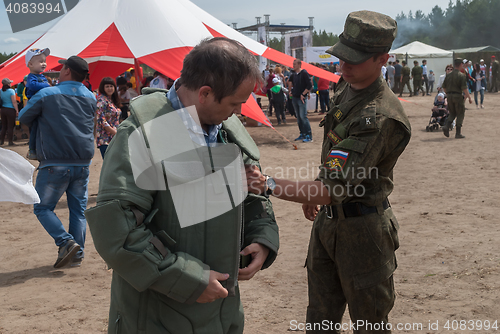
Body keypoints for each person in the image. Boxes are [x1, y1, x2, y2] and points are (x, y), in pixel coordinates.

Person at [84, 37, 279, 334]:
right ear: (205, 93)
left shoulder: (226, 130)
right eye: (234, 103)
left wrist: (262, 236)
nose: (239, 111)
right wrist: (188, 279)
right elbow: (119, 232)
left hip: (222, 311)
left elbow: (252, 191)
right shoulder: (143, 133)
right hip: (157, 314)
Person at [247, 10, 411, 334]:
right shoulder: (348, 87)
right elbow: (334, 159)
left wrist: (268, 184)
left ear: (382, 59)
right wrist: (315, 187)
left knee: (370, 326)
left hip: (364, 235)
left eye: (354, 59)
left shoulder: (378, 116)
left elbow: (332, 188)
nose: (343, 65)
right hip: (329, 224)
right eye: (342, 56)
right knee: (319, 323)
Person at [18, 56, 96, 268]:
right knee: (78, 211)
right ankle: (76, 255)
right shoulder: (90, 96)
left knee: (42, 207)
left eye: (62, 67)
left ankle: (65, 242)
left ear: (67, 71)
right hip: (82, 163)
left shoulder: (47, 94)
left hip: (54, 162)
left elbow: (23, 116)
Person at [24, 48, 51, 160]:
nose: (44, 64)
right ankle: (32, 149)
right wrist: (48, 86)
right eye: (40, 61)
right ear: (30, 64)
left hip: (42, 104)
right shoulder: (31, 77)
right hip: (35, 104)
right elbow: (33, 86)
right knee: (35, 127)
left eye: (44, 61)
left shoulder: (42, 76)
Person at [442, 58, 472, 139]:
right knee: (460, 113)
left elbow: (444, 87)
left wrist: (448, 94)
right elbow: (465, 89)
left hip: (449, 96)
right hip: (458, 96)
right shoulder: (461, 75)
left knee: (452, 113)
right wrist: (469, 98)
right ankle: (458, 133)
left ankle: (446, 126)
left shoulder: (448, 75)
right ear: (461, 64)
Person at [96, 77, 122, 159]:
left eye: (111, 86)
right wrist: (115, 133)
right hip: (105, 139)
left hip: (114, 137)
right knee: (110, 165)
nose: (109, 88)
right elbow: (101, 120)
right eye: (107, 86)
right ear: (103, 88)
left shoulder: (112, 100)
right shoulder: (101, 100)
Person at [288, 59, 313, 142]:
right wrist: (290, 90)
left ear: (299, 64)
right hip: (295, 97)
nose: (293, 65)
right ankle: (302, 133)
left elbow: (309, 85)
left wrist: (304, 94)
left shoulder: (304, 73)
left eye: (295, 64)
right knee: (298, 117)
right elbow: (290, 81)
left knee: (303, 116)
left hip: (301, 98)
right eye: (293, 64)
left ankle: (309, 135)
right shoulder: (294, 74)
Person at [0, 78, 19, 146]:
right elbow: (14, 102)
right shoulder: (11, 91)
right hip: (10, 110)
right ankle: (10, 141)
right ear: (8, 84)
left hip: (3, 110)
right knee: (10, 126)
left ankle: (1, 141)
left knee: (4, 126)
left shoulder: (0, 91)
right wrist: (17, 110)